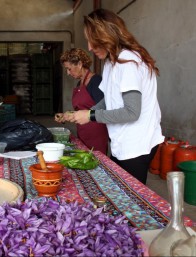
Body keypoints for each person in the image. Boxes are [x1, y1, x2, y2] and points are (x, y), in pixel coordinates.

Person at [65, 9, 165, 184]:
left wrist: (90, 115)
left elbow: (131, 112)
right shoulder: (112, 62)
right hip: (122, 141)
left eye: (92, 40)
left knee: (131, 197)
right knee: (120, 189)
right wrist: (85, 114)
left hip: (136, 145)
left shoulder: (128, 62)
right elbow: (109, 99)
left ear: (106, 35)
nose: (89, 47)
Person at [55, 48, 109, 154]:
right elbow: (81, 109)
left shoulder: (96, 81)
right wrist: (66, 115)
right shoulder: (79, 84)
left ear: (79, 64)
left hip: (96, 134)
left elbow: (105, 108)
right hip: (83, 132)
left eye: (69, 69)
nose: (68, 73)